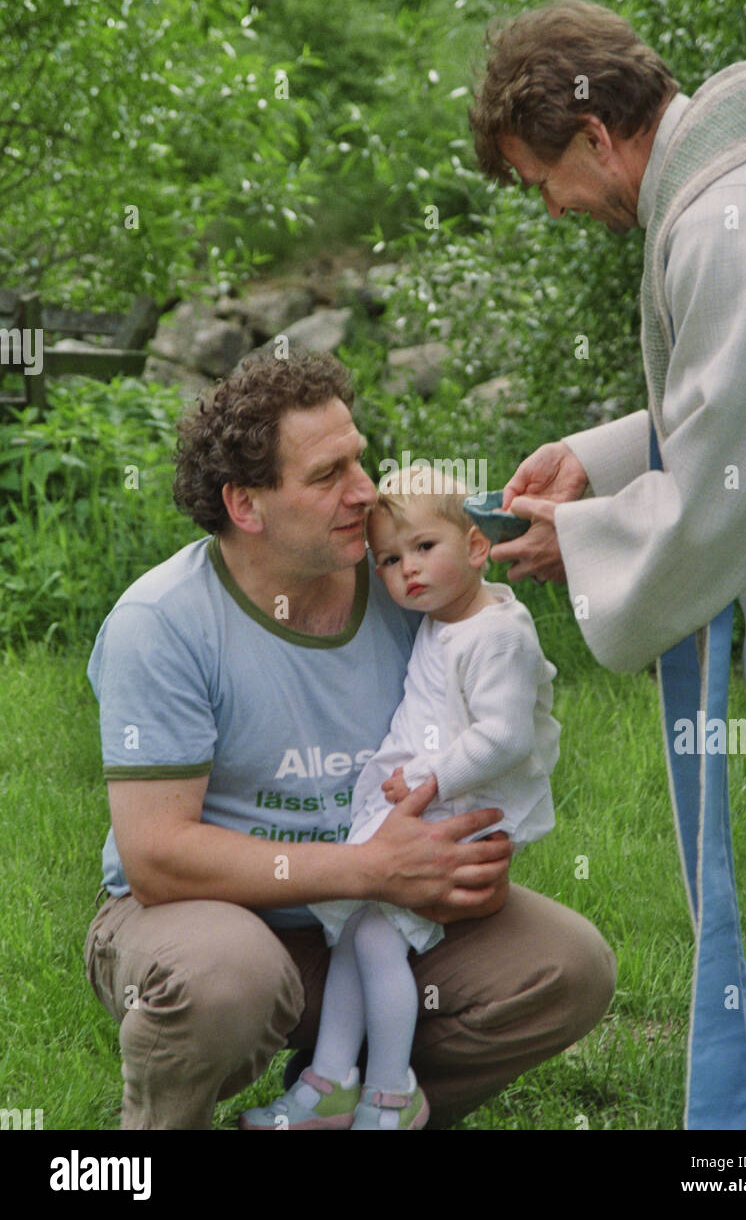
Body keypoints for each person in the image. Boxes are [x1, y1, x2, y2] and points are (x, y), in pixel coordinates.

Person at [467, 0, 746, 1130]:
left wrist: (576, 542)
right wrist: (602, 461)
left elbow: (729, 480)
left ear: (595, 136)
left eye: (542, 178)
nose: (552, 207)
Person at [84, 348, 616, 1130]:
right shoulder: (160, 624)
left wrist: (463, 869)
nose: (365, 492)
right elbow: (157, 859)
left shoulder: (406, 582)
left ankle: (350, 1107)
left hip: (368, 918)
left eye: (361, 460)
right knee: (230, 977)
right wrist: (372, 867)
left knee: (567, 967)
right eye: (329, 474)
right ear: (246, 505)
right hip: (206, 914)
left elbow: (491, 709)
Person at [240, 468, 560, 1129]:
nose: (406, 570)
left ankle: (391, 1093)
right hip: (422, 801)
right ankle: (331, 1081)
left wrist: (429, 777)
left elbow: (505, 735)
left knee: (381, 942)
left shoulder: (497, 634)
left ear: (476, 548)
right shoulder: (445, 619)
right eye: (389, 559)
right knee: (358, 933)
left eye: (423, 548)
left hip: (461, 813)